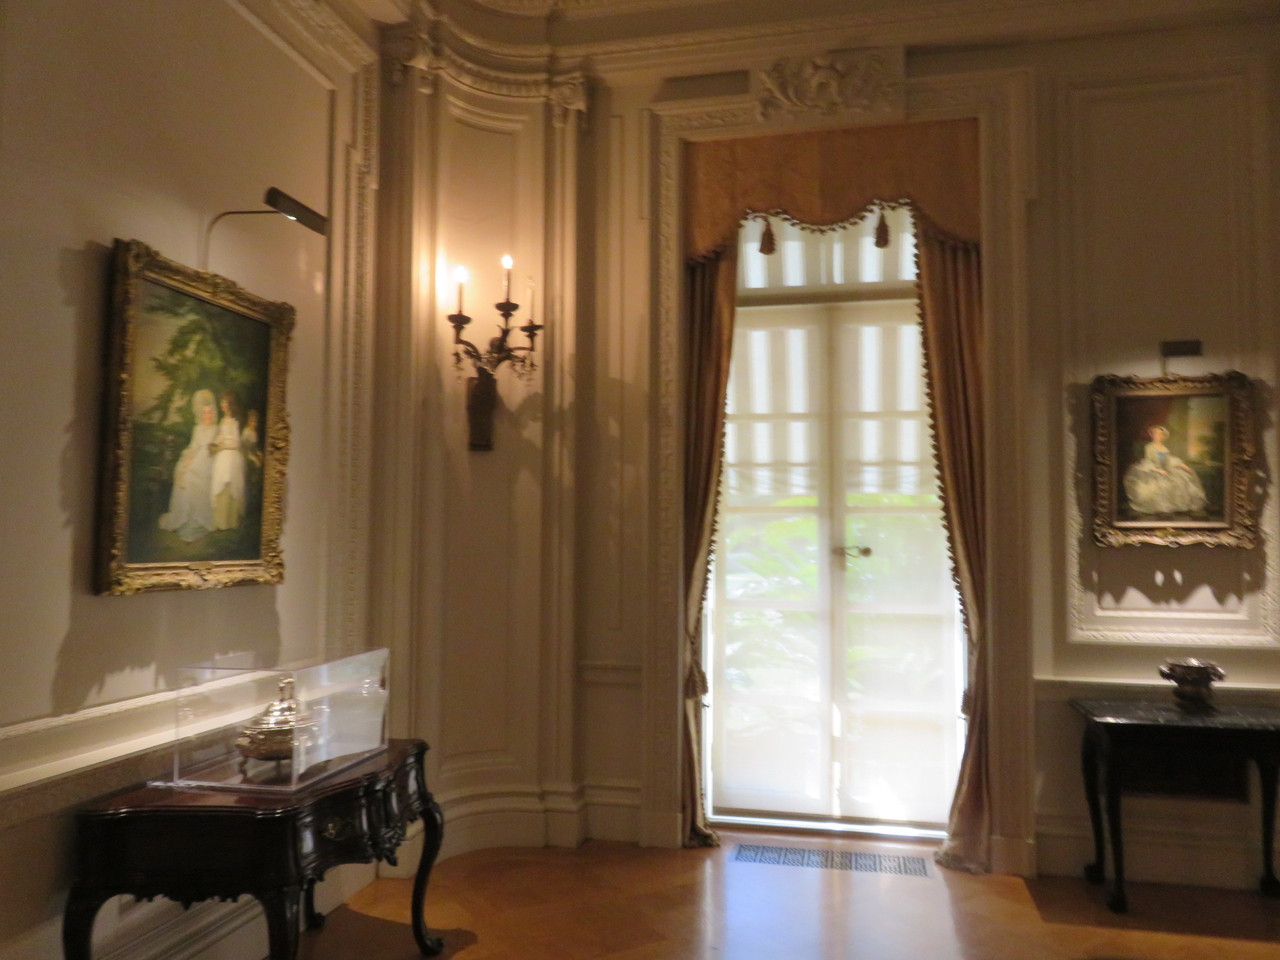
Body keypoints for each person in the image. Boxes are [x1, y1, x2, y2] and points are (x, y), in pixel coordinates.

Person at [159, 389, 217, 541]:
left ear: (213, 413)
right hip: (198, 457)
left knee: (191, 474)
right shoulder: (197, 428)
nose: (208, 415)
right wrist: (187, 457)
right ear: (201, 414)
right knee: (181, 468)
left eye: (210, 412)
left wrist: (195, 459)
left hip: (208, 460)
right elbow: (193, 447)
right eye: (205, 413)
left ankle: (197, 518)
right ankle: (182, 516)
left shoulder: (215, 429)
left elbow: (210, 449)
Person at [1123, 424, 1208, 517]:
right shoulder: (1149, 447)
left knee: (1182, 479)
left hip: (1165, 469)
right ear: (1152, 435)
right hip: (1153, 470)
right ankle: (1161, 509)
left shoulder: (1164, 448)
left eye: (1161, 434)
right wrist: (1158, 471)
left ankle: (1179, 507)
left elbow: (1169, 460)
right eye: (1156, 433)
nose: (1159, 436)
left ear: (1164, 436)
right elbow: (1148, 462)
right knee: (1160, 485)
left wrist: (1183, 466)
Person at [210, 391, 247, 530]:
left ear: (230, 404)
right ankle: (220, 522)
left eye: (225, 402)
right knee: (220, 482)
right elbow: (221, 436)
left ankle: (230, 521)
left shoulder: (234, 422)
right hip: (222, 455)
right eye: (222, 402)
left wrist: (222, 446)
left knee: (229, 481)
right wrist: (215, 444)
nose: (222, 405)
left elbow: (236, 443)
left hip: (231, 455)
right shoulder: (223, 421)